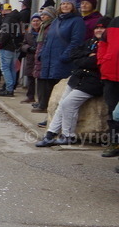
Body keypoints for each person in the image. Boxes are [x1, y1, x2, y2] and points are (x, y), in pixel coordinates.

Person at [34, 17, 109, 147]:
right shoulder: (90, 42)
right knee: (61, 104)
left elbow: (95, 63)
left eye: (102, 28)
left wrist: (85, 58)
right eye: (97, 27)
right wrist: (87, 56)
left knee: (68, 104)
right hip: (77, 78)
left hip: (92, 82)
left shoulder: (107, 45)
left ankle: (68, 135)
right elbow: (74, 55)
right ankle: (51, 134)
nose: (99, 30)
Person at [37, 0, 86, 111]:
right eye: (63, 3)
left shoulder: (77, 21)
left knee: (60, 92)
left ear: (73, 6)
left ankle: (56, 117)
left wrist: (64, 57)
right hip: (49, 60)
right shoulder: (56, 21)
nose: (65, 6)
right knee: (49, 91)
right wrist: (42, 54)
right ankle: (49, 114)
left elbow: (76, 42)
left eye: (68, 3)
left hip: (63, 62)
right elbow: (47, 39)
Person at [98, 13, 119, 158]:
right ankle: (115, 143)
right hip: (110, 74)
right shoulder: (115, 22)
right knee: (113, 113)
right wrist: (102, 61)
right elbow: (103, 44)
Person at [31, 6, 57, 112]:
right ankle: (40, 102)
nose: (42, 17)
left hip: (44, 56)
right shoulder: (43, 27)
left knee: (44, 83)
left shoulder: (51, 27)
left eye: (45, 15)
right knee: (40, 81)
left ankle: (43, 104)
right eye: (42, 15)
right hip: (40, 55)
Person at [0, 3, 22, 97]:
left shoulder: (8, 19)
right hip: (14, 47)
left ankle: (9, 89)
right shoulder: (16, 18)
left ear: (3, 10)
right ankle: (10, 87)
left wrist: (0, 43)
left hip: (6, 47)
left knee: (5, 68)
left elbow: (5, 33)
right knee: (12, 68)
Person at [19, 14, 42, 103]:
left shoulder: (43, 32)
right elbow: (23, 44)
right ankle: (30, 96)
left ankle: (40, 99)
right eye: (34, 21)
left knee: (40, 79)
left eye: (37, 21)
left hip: (40, 58)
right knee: (30, 78)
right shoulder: (28, 33)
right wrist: (28, 48)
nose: (35, 23)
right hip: (30, 58)